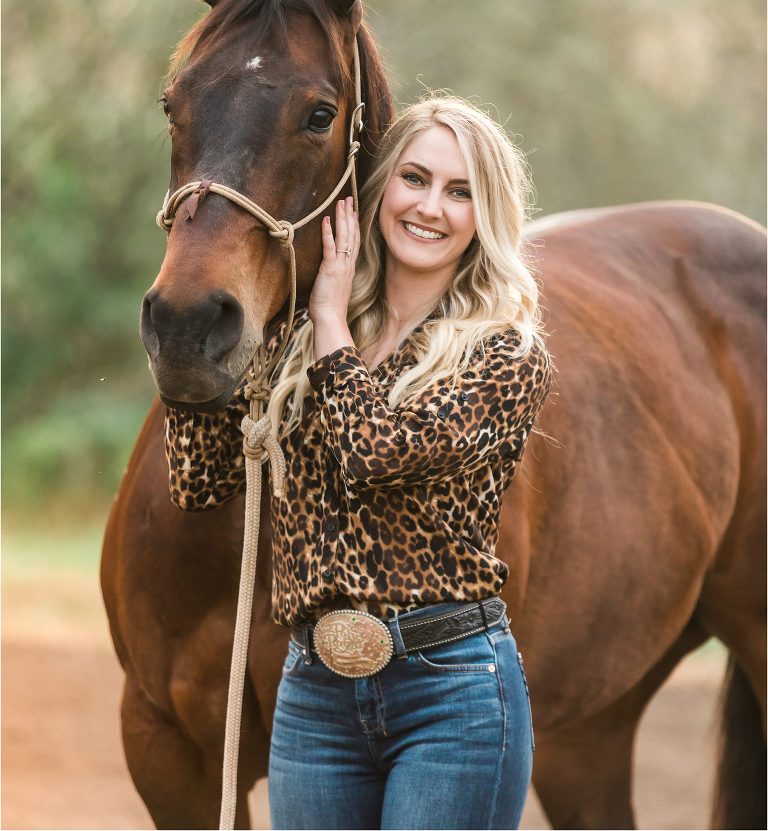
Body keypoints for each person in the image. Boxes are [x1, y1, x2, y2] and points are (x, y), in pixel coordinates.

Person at [165, 95, 553, 831]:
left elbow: (375, 453)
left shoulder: (504, 353)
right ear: (378, 189)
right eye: (414, 177)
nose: (430, 206)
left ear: (485, 214)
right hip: (314, 693)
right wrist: (193, 320)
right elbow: (197, 476)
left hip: (453, 697)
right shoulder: (296, 330)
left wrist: (333, 325)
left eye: (459, 190)